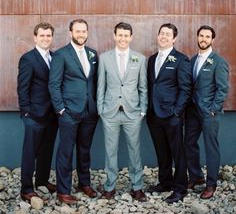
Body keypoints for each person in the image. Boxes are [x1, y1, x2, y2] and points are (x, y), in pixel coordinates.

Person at [48, 19, 98, 205]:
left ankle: (84, 183)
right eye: (77, 31)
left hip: (89, 112)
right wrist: (60, 108)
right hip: (68, 112)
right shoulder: (61, 55)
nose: (81, 34)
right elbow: (53, 84)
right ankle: (63, 190)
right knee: (66, 152)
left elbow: (93, 82)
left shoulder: (93, 54)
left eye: (84, 31)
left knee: (85, 150)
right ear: (70, 33)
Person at [97, 22, 147, 202]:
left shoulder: (139, 59)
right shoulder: (104, 58)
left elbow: (143, 87)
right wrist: (100, 109)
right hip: (109, 113)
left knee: (135, 150)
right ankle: (110, 187)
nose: (123, 38)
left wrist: (142, 111)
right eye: (120, 35)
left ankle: (137, 187)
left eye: (126, 35)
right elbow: (100, 86)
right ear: (114, 36)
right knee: (110, 151)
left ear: (131, 37)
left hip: (132, 113)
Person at [146, 23, 191, 204]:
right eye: (161, 33)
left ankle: (180, 188)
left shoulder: (181, 59)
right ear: (158, 36)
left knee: (177, 152)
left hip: (172, 114)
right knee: (161, 151)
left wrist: (177, 112)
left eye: (168, 34)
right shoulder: (151, 59)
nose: (163, 36)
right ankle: (165, 182)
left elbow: (185, 88)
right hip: (154, 114)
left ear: (174, 38)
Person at [184, 25, 229, 199]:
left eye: (207, 36)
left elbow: (223, 89)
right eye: (201, 36)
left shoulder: (218, 61)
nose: (203, 39)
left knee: (211, 147)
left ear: (212, 40)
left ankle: (211, 184)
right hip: (193, 111)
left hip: (209, 112)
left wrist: (213, 109)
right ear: (197, 37)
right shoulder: (193, 59)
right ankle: (195, 177)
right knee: (188, 142)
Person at [17, 22, 58, 202]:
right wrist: (26, 112)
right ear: (35, 37)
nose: (45, 38)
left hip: (52, 114)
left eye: (48, 35)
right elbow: (22, 87)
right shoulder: (28, 58)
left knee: (46, 150)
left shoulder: (55, 57)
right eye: (42, 35)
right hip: (34, 115)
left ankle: (42, 180)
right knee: (30, 152)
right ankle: (26, 188)